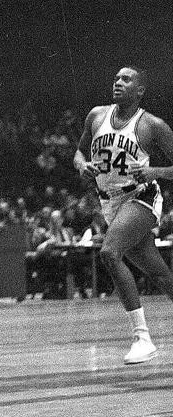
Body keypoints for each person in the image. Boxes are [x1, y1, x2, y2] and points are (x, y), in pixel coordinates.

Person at [74, 66, 173, 364]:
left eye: (126, 79)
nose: (118, 82)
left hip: (141, 196)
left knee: (110, 253)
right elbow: (78, 152)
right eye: (116, 78)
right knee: (159, 273)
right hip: (110, 203)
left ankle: (142, 339)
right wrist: (81, 164)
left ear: (140, 90)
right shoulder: (96, 116)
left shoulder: (152, 125)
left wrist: (154, 170)